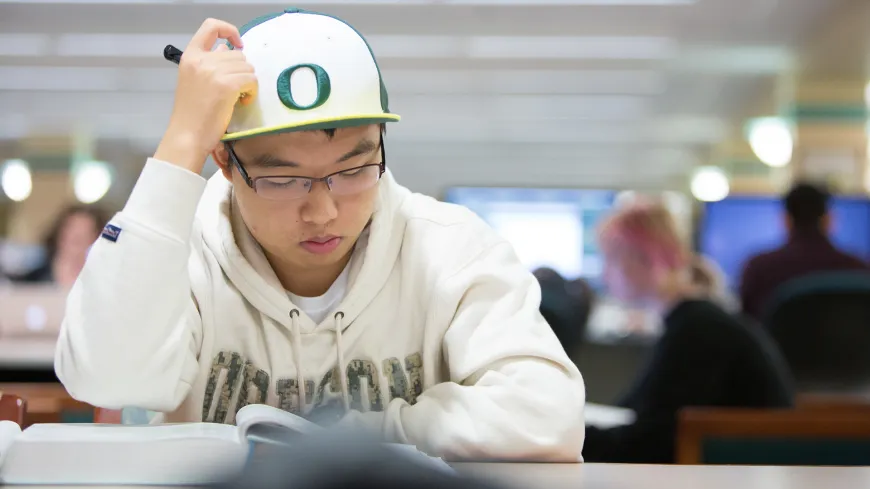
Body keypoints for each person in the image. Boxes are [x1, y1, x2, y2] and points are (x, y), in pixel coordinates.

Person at [54, 10, 585, 460]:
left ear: (380, 142)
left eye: (354, 169)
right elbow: (108, 380)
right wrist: (182, 141)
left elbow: (548, 415)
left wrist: (353, 439)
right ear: (225, 160)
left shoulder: (450, 246)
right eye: (283, 179)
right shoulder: (181, 249)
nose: (323, 210)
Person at [582, 200, 794, 464]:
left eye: (611, 259)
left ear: (647, 258)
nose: (604, 275)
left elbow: (651, 443)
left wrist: (570, 439)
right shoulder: (691, 321)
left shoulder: (697, 331)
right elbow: (638, 413)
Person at [740, 182, 869, 321]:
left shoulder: (758, 269)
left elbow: (747, 328)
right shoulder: (859, 269)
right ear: (828, 220)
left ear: (786, 220)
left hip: (778, 343)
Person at [11, 205, 105, 287]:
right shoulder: (32, 280)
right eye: (72, 231)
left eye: (85, 234)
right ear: (59, 235)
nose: (77, 237)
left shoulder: (105, 280)